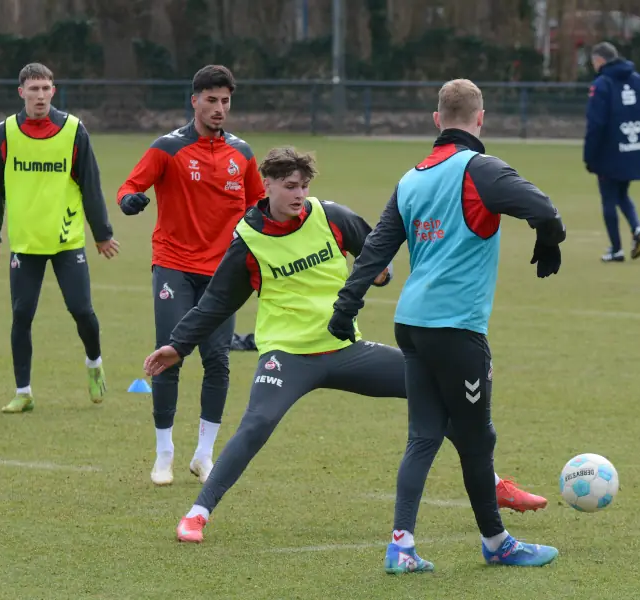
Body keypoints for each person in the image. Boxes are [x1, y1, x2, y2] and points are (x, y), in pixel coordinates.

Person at [142, 147, 548, 545]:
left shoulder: (331, 216)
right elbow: (215, 304)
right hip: (287, 355)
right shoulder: (249, 240)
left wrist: (381, 275)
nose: (298, 194)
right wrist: (178, 346)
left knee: (440, 396)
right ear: (265, 185)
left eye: (303, 185)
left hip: (346, 349)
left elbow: (377, 249)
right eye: (288, 186)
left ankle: (492, 483)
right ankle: (197, 514)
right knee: (257, 424)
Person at [328, 79, 566, 573]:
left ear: (437, 120)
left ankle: (402, 546)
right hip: (455, 329)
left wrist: (345, 308)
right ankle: (497, 542)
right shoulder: (480, 169)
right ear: (481, 119)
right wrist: (550, 240)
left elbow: (376, 249)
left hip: (410, 325)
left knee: (424, 437)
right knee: (478, 441)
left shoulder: (410, 179)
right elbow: (544, 209)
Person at [116, 65, 267, 486]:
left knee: (217, 360)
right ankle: (164, 454)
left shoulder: (243, 154)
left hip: (224, 273)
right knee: (170, 353)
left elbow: (259, 206)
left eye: (226, 101)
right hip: (174, 265)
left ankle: (204, 455)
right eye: (212, 100)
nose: (220, 109)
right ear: (194, 100)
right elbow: (130, 185)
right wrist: (131, 200)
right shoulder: (167, 148)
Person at [0, 62, 120, 414]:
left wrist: (102, 233)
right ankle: (23, 392)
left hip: (66, 241)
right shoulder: (4, 133)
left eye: (46, 88)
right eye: (34, 89)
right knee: (22, 315)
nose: (40, 95)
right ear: (21, 92)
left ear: (53, 91)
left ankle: (94, 363)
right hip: (25, 244)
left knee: (81, 310)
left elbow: (91, 185)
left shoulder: (74, 131)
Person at [584, 41, 640, 263]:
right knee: (622, 193)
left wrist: (590, 155)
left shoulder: (602, 84)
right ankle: (637, 229)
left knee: (609, 198)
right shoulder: (639, 80)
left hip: (609, 151)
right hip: (632, 147)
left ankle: (616, 248)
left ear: (600, 60)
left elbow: (596, 124)